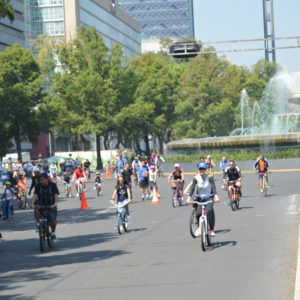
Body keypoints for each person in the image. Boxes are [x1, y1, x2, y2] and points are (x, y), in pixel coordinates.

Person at [187, 162, 220, 237]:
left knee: (209, 211)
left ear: (206, 169)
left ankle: (211, 229)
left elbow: (213, 187)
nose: (201, 170)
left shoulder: (210, 177)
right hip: (199, 197)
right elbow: (192, 188)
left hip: (209, 196)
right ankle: (199, 228)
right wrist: (189, 197)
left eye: (203, 169)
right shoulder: (196, 178)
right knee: (198, 213)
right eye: (200, 169)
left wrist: (216, 196)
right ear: (198, 170)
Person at [32, 173, 59, 241]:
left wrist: (55, 203)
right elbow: (35, 195)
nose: (41, 181)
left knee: (53, 220)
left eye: (42, 180)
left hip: (51, 204)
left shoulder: (53, 185)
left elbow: (55, 194)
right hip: (41, 203)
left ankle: (53, 233)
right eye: (40, 180)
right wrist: (32, 203)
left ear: (47, 179)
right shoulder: (38, 186)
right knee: (36, 208)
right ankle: (38, 223)